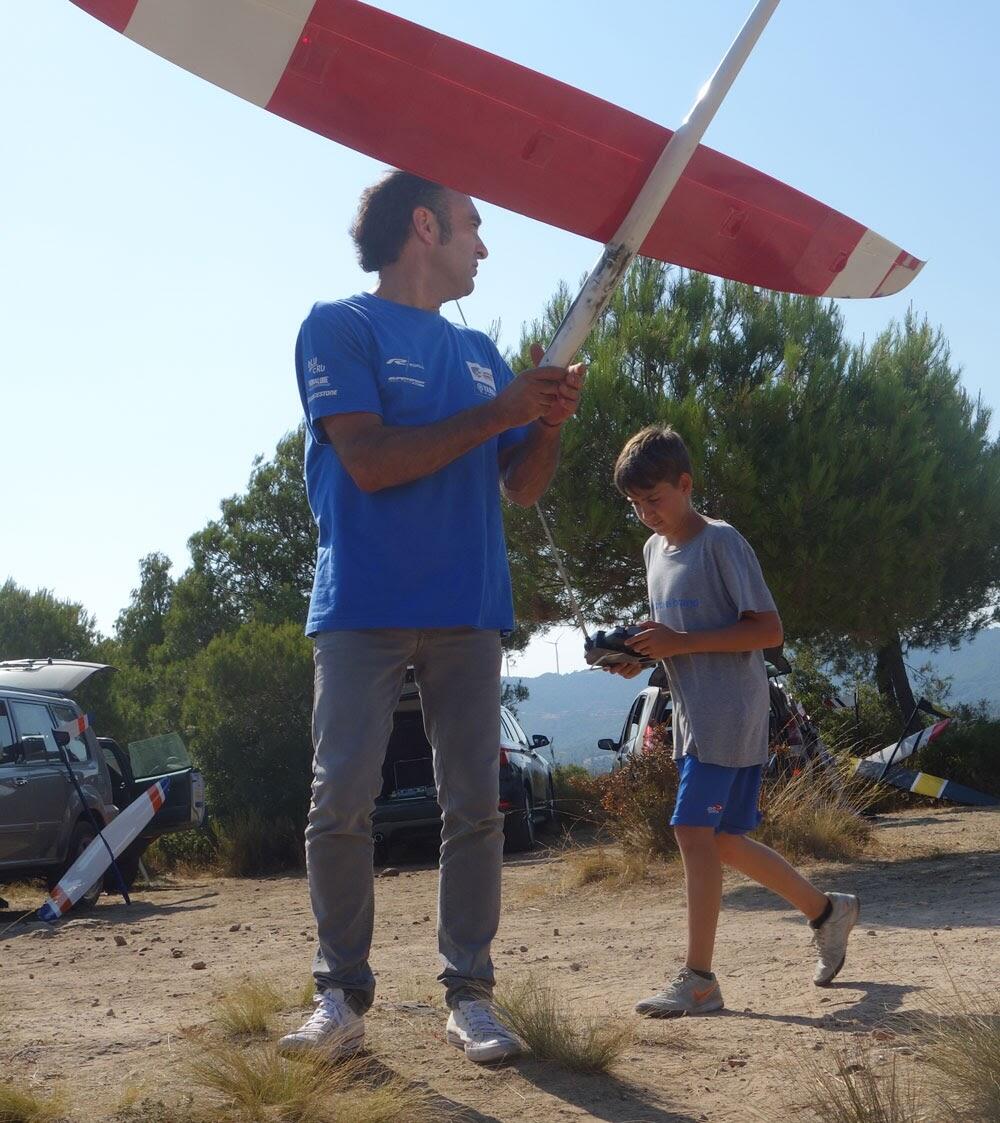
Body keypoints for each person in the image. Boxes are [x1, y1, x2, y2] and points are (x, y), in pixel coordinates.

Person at [279, 171, 585, 1063]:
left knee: (477, 806)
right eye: (472, 225)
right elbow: (369, 462)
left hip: (467, 607)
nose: (484, 245)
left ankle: (471, 997)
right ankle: (340, 997)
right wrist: (499, 412)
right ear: (424, 226)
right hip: (362, 606)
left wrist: (547, 423)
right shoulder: (338, 326)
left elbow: (520, 487)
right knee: (341, 799)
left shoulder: (482, 352)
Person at [606, 425, 859, 1018]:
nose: (646, 513)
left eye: (654, 499)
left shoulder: (721, 542)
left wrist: (679, 642)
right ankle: (827, 911)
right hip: (692, 715)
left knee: (692, 833)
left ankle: (699, 980)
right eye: (635, 504)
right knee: (721, 840)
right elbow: (678, 638)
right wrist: (640, 656)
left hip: (731, 713)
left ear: (685, 484)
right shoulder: (653, 552)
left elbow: (768, 630)